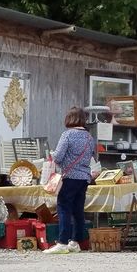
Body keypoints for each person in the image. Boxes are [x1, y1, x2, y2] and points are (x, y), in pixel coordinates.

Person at [43, 107, 94, 254]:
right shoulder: (89, 137)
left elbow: (58, 157)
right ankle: (75, 242)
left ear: (69, 119)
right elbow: (91, 157)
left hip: (70, 176)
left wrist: (52, 156)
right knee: (78, 210)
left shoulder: (67, 135)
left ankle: (62, 242)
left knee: (63, 207)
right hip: (84, 178)